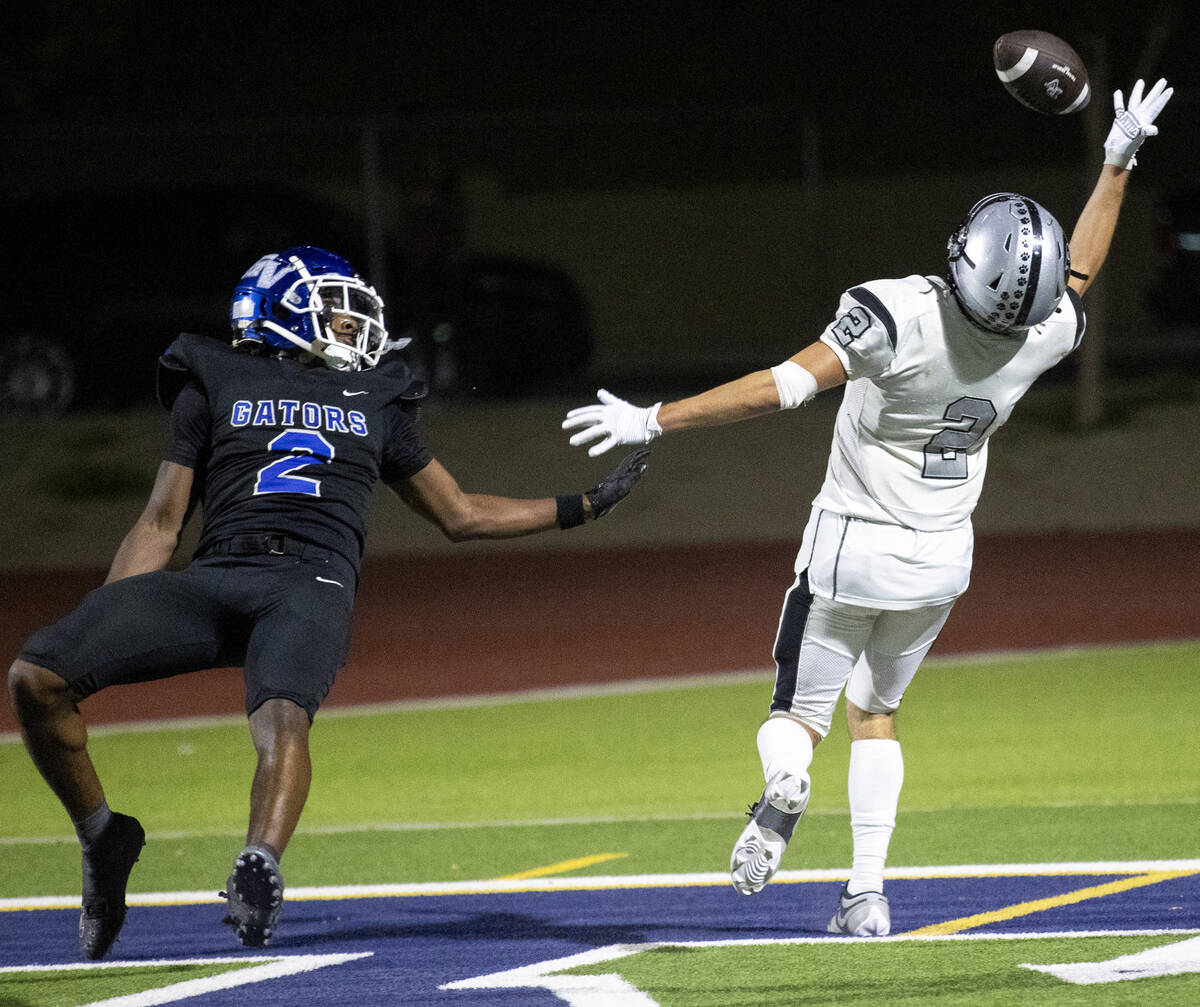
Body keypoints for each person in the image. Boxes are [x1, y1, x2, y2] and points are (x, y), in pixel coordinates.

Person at [562, 79, 1172, 936]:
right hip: (942, 557)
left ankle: (784, 787)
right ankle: (868, 895)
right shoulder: (1044, 334)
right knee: (876, 713)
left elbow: (783, 387)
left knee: (798, 716)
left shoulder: (898, 312)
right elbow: (1080, 267)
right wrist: (1118, 159)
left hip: (853, 541)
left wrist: (654, 417)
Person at [7, 245, 650, 959]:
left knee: (282, 718)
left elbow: (460, 512)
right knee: (36, 676)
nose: (353, 323)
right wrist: (109, 624)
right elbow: (162, 522)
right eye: (338, 307)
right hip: (216, 573)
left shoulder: (375, 395)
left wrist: (581, 505)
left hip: (310, 583)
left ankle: (259, 865)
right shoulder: (213, 376)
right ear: (280, 311)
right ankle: (104, 837)